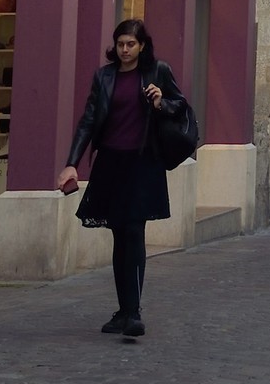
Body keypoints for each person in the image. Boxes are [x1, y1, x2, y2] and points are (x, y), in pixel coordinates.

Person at [58, 17, 185, 339]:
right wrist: (72, 163)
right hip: (111, 162)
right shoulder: (104, 77)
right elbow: (88, 120)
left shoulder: (158, 71)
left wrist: (160, 102)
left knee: (133, 231)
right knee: (118, 234)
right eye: (120, 44)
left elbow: (181, 106)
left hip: (143, 162)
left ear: (142, 46)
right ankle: (124, 309)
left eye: (131, 44)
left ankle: (133, 312)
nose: (125, 50)